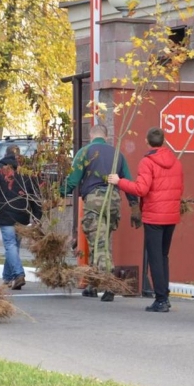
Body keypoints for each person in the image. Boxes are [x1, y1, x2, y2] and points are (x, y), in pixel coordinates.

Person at [108, 127, 183, 313]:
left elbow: (141, 189)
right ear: (163, 141)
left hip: (154, 216)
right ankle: (165, 295)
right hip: (171, 215)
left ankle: (161, 299)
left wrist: (119, 181)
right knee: (163, 256)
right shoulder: (176, 161)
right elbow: (180, 188)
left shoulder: (147, 162)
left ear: (147, 141)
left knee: (155, 258)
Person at [62, 124, 140, 302]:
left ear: (91, 135)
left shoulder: (84, 152)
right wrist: (134, 205)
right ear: (106, 136)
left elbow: (73, 179)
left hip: (94, 201)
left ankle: (109, 283)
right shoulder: (117, 154)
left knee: (99, 243)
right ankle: (93, 284)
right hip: (113, 202)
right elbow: (128, 181)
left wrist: (58, 193)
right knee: (100, 241)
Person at [0, 145, 42, 290]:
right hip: (22, 214)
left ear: (5, 154)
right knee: (14, 246)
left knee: (10, 245)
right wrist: (37, 215)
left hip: (5, 213)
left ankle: (18, 274)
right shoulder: (26, 172)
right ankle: (7, 278)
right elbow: (34, 195)